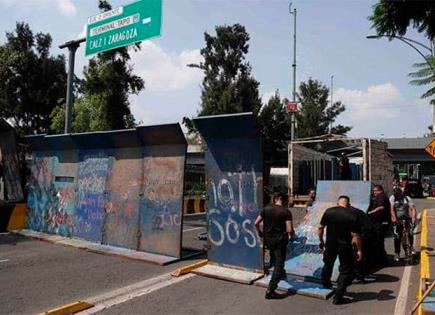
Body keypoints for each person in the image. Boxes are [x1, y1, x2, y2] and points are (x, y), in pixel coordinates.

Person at [318, 195, 363, 305]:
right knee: (346, 270)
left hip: (330, 244)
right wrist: (359, 250)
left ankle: (326, 283)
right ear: (348, 204)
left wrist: (321, 240)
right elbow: (356, 236)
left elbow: (320, 227)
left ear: (337, 202)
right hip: (344, 246)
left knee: (328, 263)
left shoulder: (329, 211)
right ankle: (338, 296)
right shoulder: (353, 215)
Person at [254, 193, 294, 299]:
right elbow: (289, 229)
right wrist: (292, 236)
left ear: (275, 199)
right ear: (284, 200)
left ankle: (280, 274)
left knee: (273, 256)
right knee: (279, 264)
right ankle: (271, 290)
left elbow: (256, 223)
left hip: (268, 239)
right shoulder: (286, 211)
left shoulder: (266, 208)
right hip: (279, 241)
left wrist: (259, 233)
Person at [389, 187, 417, 262]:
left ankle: (411, 247)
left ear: (401, 193)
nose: (397, 196)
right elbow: (391, 209)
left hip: (407, 218)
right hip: (397, 220)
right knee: (397, 237)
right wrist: (394, 219)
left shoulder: (407, 198)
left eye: (398, 194)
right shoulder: (392, 198)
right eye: (396, 195)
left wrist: (413, 219)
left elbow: (413, 208)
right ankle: (397, 253)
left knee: (410, 233)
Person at [367, 184, 390, 267]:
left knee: (378, 242)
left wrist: (371, 212)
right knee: (378, 242)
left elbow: (381, 207)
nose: (374, 192)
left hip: (382, 223)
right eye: (373, 191)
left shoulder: (382, 196)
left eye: (375, 191)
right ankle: (381, 261)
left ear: (380, 190)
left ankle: (382, 261)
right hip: (379, 222)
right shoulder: (379, 197)